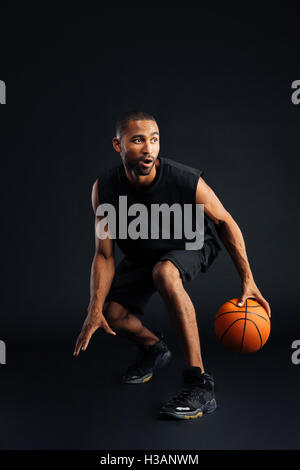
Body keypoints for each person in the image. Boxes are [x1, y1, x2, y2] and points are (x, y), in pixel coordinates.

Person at [73, 111, 271, 420]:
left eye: (154, 140)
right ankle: (154, 349)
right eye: (138, 140)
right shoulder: (105, 189)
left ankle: (201, 385)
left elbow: (224, 221)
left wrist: (248, 279)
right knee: (112, 316)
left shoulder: (184, 179)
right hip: (144, 253)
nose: (148, 148)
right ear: (118, 145)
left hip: (189, 244)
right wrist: (93, 307)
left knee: (164, 272)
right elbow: (105, 255)